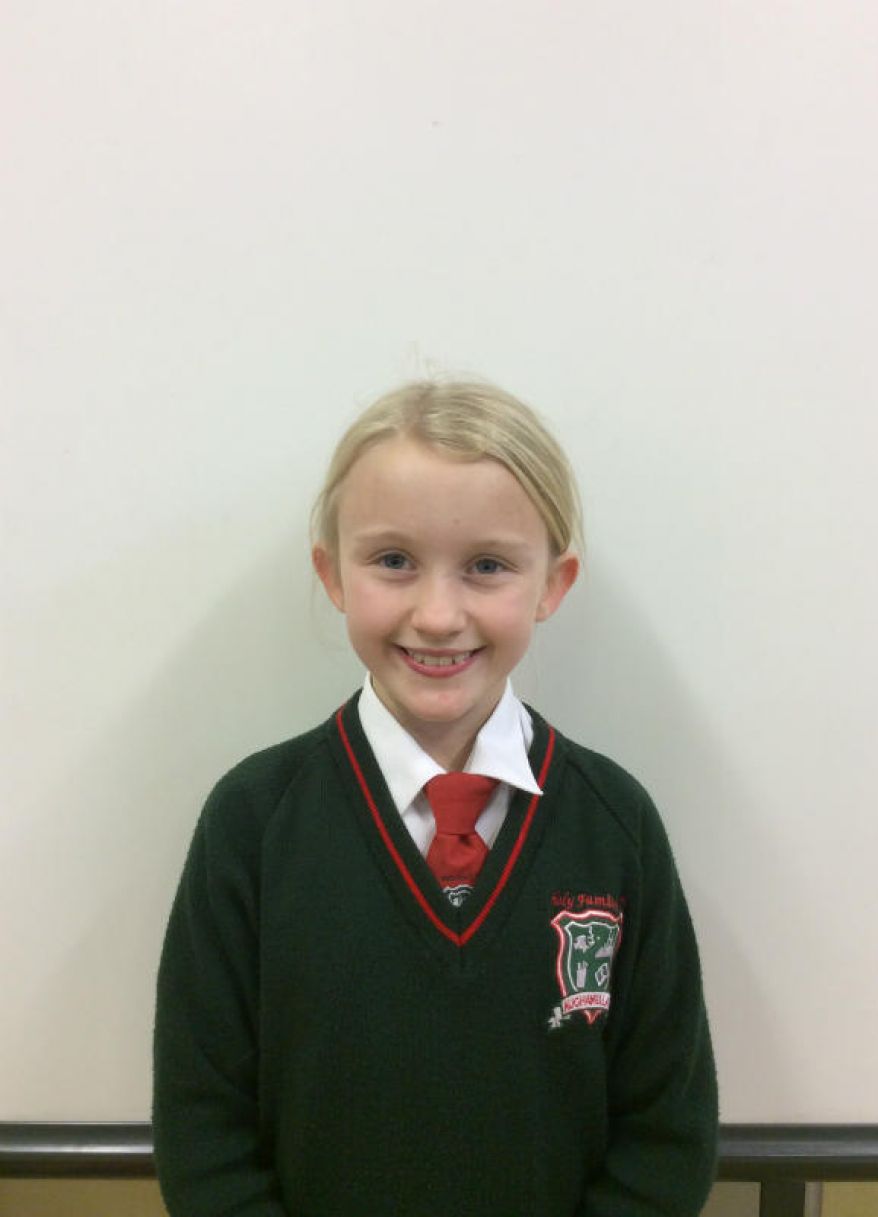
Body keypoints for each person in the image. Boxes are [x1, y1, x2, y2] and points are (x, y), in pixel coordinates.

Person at [153, 379, 718, 1217]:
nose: (439, 614)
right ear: (332, 572)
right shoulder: (253, 823)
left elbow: (667, 1133)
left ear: (553, 583)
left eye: (487, 566)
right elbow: (204, 1135)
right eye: (393, 561)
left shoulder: (615, 824)